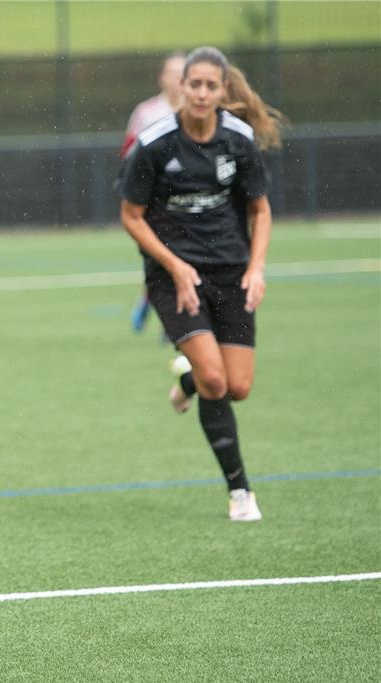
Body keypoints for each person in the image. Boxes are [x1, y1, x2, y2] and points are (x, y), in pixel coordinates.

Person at [119, 46, 284, 523]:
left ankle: (186, 381)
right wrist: (173, 266)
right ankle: (241, 493)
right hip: (175, 278)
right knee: (217, 379)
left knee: (239, 386)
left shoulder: (238, 140)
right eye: (195, 84)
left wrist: (256, 268)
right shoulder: (154, 143)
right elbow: (131, 216)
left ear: (223, 90)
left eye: (212, 86)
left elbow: (260, 209)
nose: (202, 93)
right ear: (182, 87)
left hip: (231, 271)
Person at [122, 52, 186, 333]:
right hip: (154, 198)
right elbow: (128, 152)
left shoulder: (198, 110)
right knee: (160, 251)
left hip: (188, 198)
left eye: (183, 73)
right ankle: (155, 300)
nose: (177, 79)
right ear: (162, 78)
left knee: (186, 250)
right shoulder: (147, 112)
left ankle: (173, 308)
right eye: (172, 73)